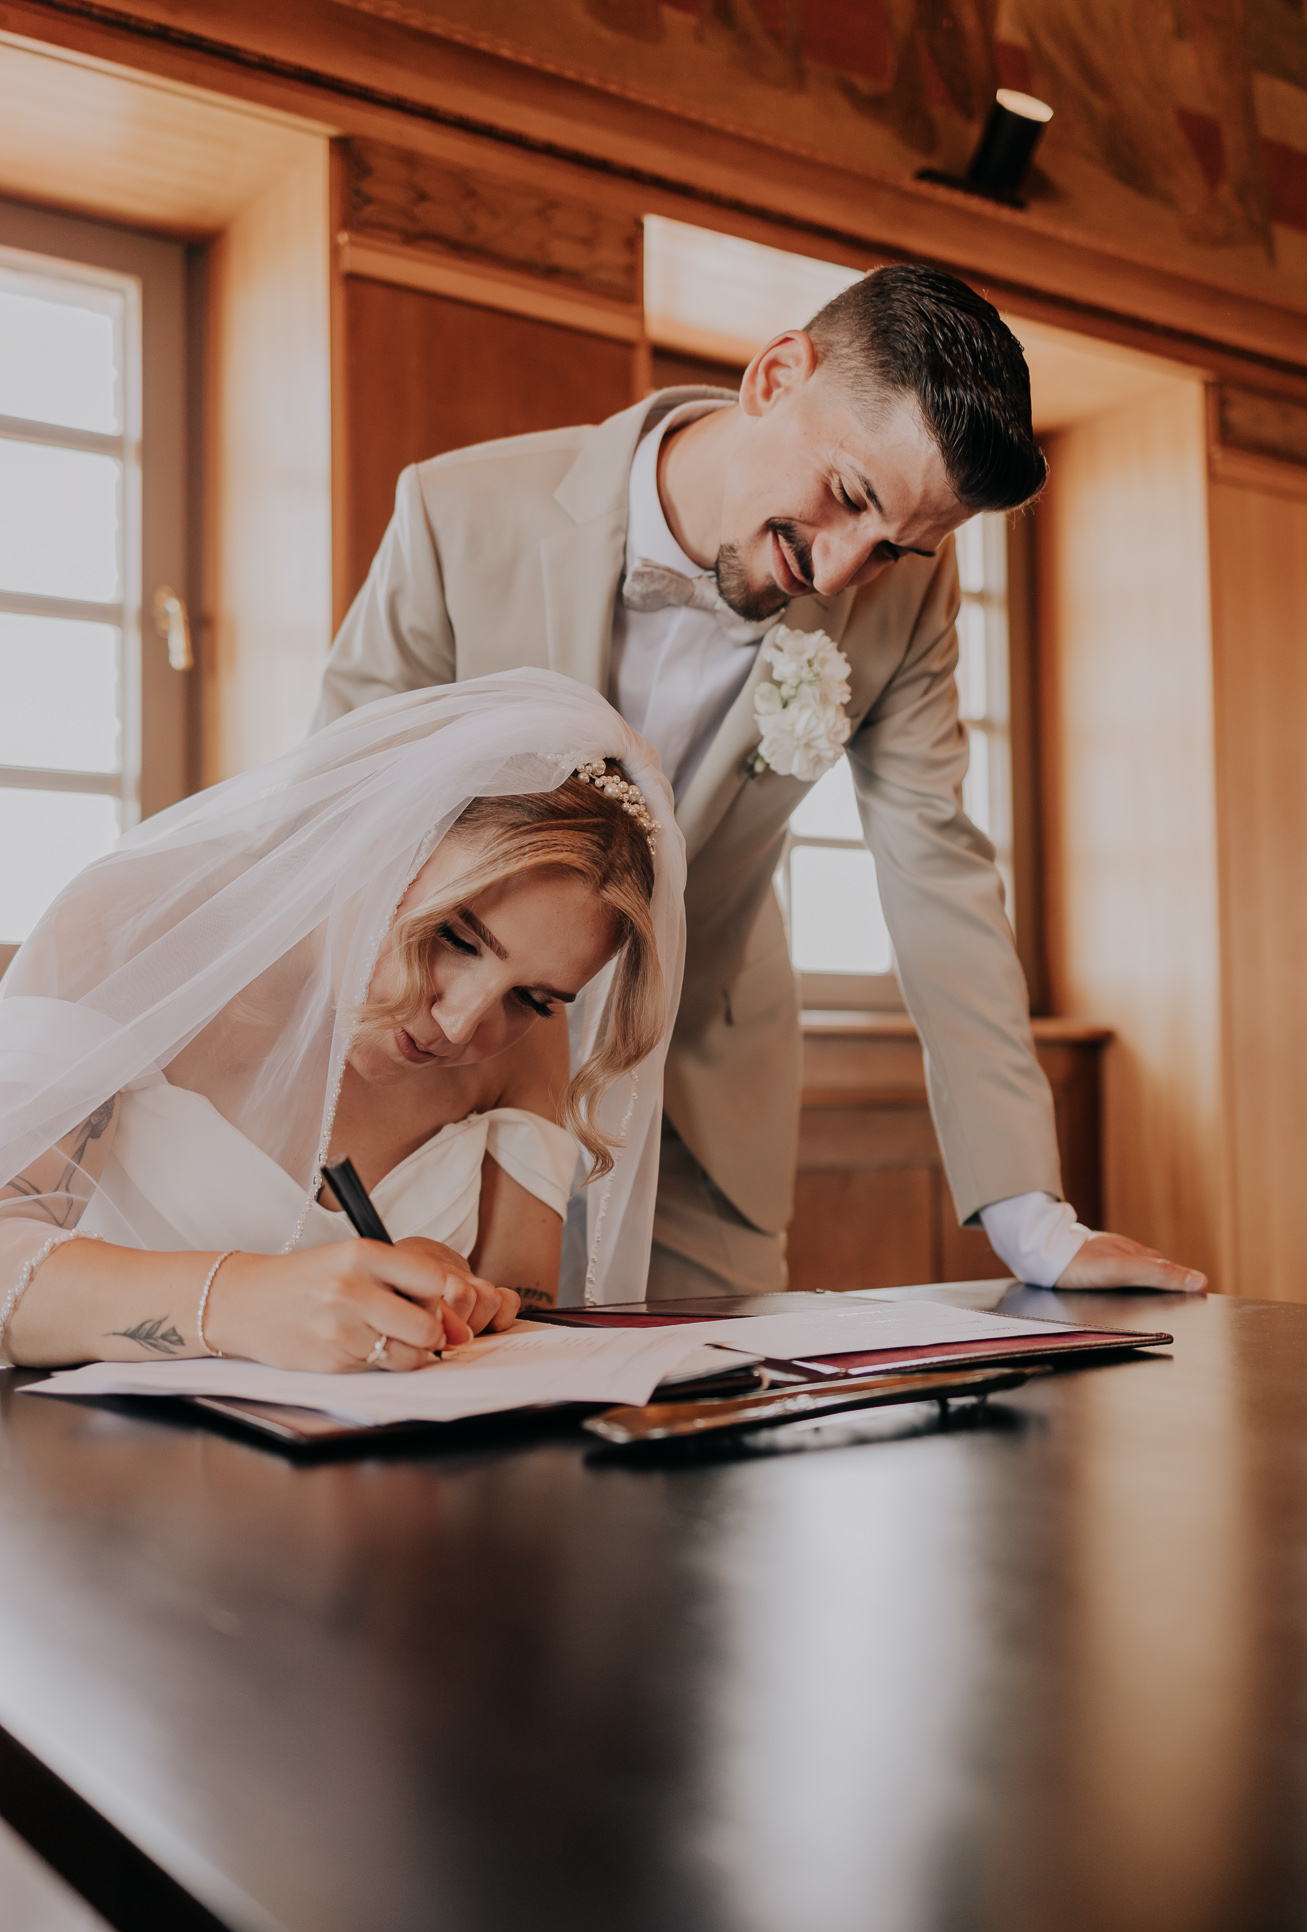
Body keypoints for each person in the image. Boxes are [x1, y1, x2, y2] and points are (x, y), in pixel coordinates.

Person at [315, 262, 1205, 1301]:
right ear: (775, 375)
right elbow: (336, 814)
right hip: (451, 1066)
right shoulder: (456, 513)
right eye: (846, 496)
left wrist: (1031, 1219)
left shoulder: (900, 604)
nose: (835, 576)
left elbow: (936, 866)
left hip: (703, 1109)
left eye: (892, 550)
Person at [0, 672, 684, 1371]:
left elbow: (517, 1333)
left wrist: (447, 1302)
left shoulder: (529, 1038)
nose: (460, 1025)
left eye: (533, 997)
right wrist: (246, 1300)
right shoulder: (131, 929)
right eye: (455, 937)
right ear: (388, 840)